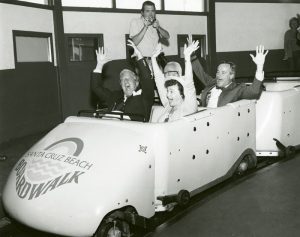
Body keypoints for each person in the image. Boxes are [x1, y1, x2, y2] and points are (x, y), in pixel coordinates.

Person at [91, 40, 154, 122]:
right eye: (122, 80)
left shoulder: (144, 96)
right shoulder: (114, 96)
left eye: (128, 79)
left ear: (136, 82)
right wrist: (99, 65)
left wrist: (139, 56)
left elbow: (147, 78)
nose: (125, 82)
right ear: (120, 85)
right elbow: (96, 88)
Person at [191, 45, 268, 108]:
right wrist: (191, 55)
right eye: (218, 72)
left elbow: (254, 92)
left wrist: (260, 66)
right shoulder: (213, 83)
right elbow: (201, 73)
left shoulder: (237, 89)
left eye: (223, 72)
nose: (218, 75)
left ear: (231, 76)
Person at [151, 40, 199, 122]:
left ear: (181, 93)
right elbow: (159, 80)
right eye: (167, 91)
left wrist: (187, 58)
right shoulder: (168, 104)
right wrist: (153, 59)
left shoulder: (189, 107)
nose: (167, 95)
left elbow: (189, 84)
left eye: (171, 92)